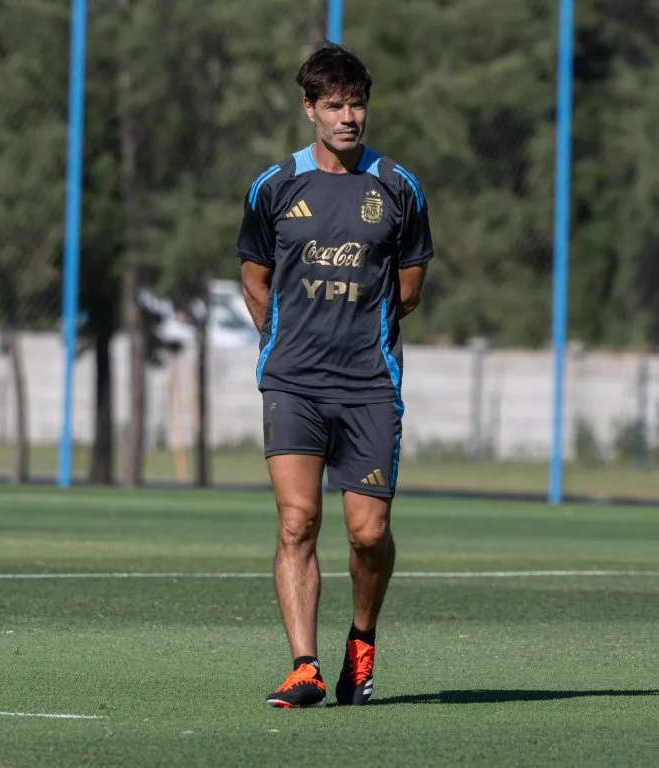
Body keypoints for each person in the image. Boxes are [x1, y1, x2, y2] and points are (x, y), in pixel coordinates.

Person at [236, 42, 433, 709]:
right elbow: (255, 279)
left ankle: (361, 641)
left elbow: (409, 291)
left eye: (357, 104)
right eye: (334, 105)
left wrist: (352, 326)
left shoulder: (399, 188)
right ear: (309, 110)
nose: (348, 117)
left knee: (367, 533)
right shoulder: (274, 186)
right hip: (292, 381)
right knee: (297, 521)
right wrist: (285, 341)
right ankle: (304, 667)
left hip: (369, 384)